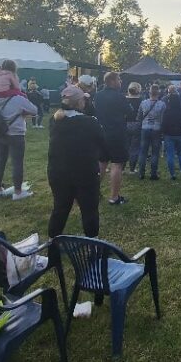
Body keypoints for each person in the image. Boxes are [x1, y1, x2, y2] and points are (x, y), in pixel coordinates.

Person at [47, 85, 108, 254]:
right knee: (89, 209)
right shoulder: (90, 122)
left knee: (60, 207)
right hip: (85, 172)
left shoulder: (55, 120)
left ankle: (52, 243)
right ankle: (93, 245)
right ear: (79, 102)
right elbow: (103, 144)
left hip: (57, 171)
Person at [0, 78, 38, 201]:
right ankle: (18, 192)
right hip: (16, 133)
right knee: (17, 163)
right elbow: (34, 110)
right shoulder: (18, 98)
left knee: (0, 160)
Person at [94, 72, 132, 205]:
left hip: (102, 132)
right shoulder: (119, 97)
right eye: (119, 79)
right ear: (112, 81)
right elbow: (130, 112)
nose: (121, 82)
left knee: (102, 163)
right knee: (117, 164)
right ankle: (114, 197)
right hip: (117, 133)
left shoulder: (97, 95)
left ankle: (93, 192)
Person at [137, 84, 166, 180]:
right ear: (158, 93)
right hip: (156, 129)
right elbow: (163, 119)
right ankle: (153, 173)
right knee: (155, 152)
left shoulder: (143, 103)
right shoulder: (162, 104)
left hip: (145, 128)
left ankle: (141, 173)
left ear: (149, 92)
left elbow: (139, 117)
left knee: (143, 151)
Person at [161, 93, 181, 180]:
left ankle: (172, 174)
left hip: (169, 134)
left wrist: (162, 133)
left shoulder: (167, 111)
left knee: (170, 155)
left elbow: (164, 123)